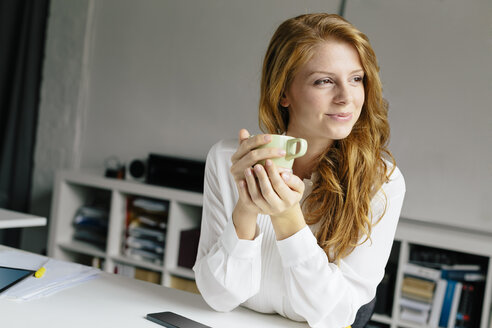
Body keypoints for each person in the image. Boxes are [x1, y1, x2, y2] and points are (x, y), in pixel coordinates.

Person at [193, 13, 405, 328]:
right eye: (324, 81)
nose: (347, 98)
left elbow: (335, 316)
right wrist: (246, 212)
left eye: (356, 79)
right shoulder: (229, 159)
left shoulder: (382, 180)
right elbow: (218, 297)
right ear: (283, 92)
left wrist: (286, 218)